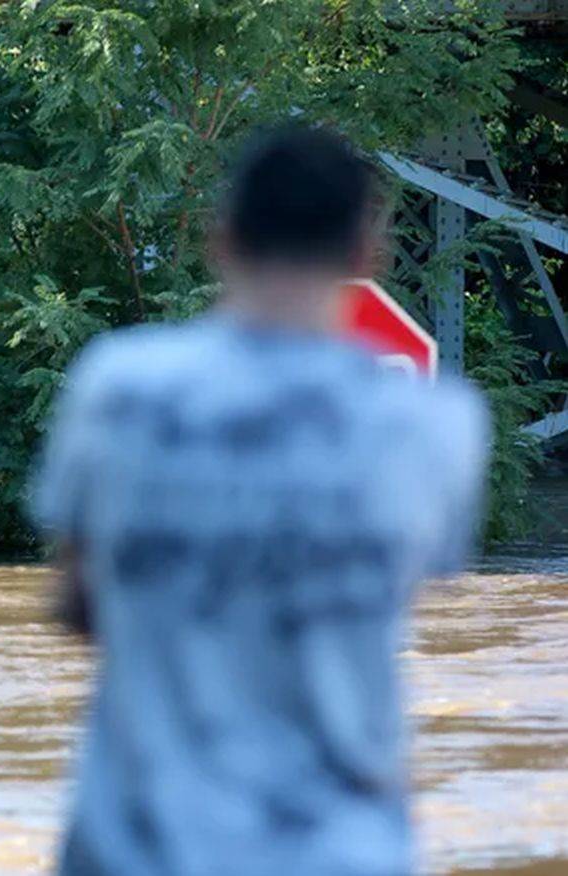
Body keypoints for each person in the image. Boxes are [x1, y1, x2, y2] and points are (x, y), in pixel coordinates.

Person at [32, 126, 489, 876]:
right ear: (363, 256)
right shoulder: (437, 425)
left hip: (135, 849)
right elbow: (385, 603)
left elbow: (79, 606)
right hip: (344, 853)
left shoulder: (115, 388)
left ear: (224, 238)